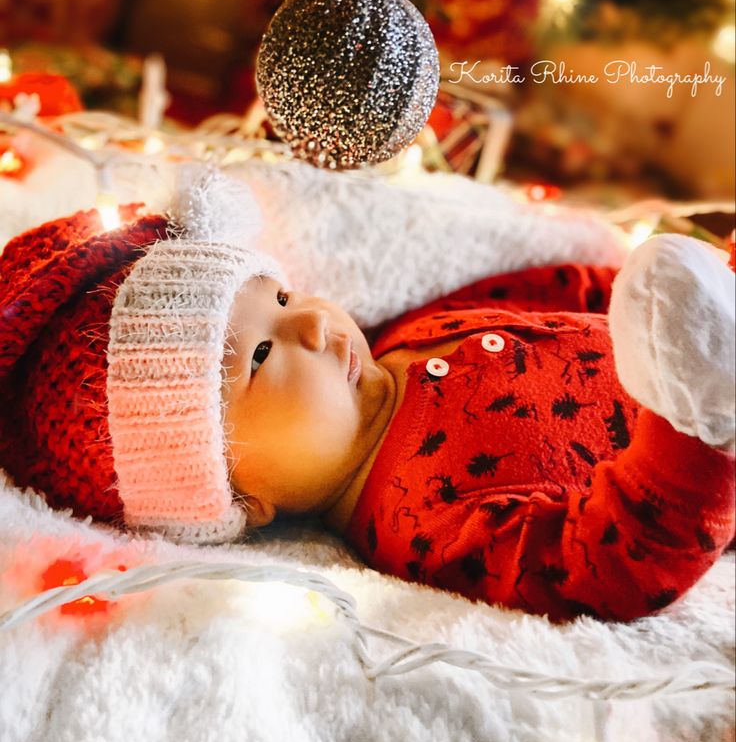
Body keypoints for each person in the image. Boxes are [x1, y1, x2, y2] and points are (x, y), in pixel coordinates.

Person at [1, 167, 733, 621]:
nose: (315, 325)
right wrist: (694, 426)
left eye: (284, 297)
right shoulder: (423, 521)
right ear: (239, 497)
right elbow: (595, 567)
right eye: (260, 355)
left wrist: (658, 291)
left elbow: (560, 295)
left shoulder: (407, 337)